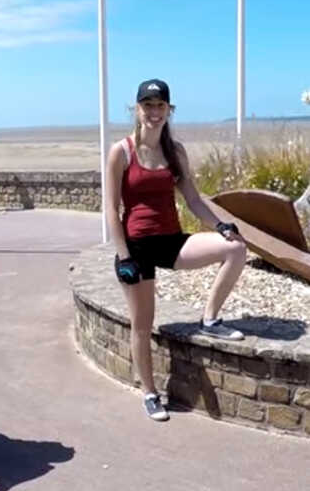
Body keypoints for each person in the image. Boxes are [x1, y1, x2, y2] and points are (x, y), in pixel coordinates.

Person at [105, 78, 248, 422]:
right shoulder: (121, 151)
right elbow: (111, 209)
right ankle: (150, 393)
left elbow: (194, 199)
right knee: (143, 325)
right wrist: (124, 257)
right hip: (136, 249)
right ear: (136, 109)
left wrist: (220, 226)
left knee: (236, 248)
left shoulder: (175, 152)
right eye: (148, 105)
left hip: (171, 240)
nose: (154, 112)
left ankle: (210, 318)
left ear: (169, 110)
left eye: (160, 106)